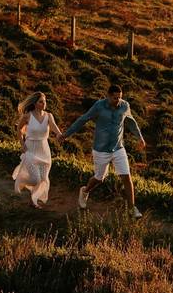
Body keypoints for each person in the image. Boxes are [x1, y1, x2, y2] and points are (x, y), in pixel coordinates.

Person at [60, 84, 147, 218]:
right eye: (114, 98)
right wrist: (66, 134)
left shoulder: (124, 106)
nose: (117, 101)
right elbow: (83, 119)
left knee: (126, 177)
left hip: (118, 148)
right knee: (99, 178)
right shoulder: (99, 106)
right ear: (107, 96)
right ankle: (85, 191)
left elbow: (131, 122)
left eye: (119, 98)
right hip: (101, 150)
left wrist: (140, 138)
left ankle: (132, 208)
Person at [12, 92, 63, 209]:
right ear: (35, 104)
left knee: (43, 178)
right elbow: (19, 129)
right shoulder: (27, 116)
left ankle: (33, 200)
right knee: (36, 178)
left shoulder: (49, 116)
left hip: (44, 149)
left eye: (45, 101)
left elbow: (54, 126)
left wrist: (59, 134)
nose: (44, 104)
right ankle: (22, 179)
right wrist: (22, 143)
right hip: (31, 148)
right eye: (41, 101)